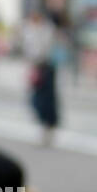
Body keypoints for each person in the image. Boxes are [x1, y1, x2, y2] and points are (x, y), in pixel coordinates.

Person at [23, 10, 61, 146]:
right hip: (36, 68)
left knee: (46, 101)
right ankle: (44, 127)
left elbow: (44, 49)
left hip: (46, 68)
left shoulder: (47, 29)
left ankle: (48, 127)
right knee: (36, 100)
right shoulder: (29, 29)